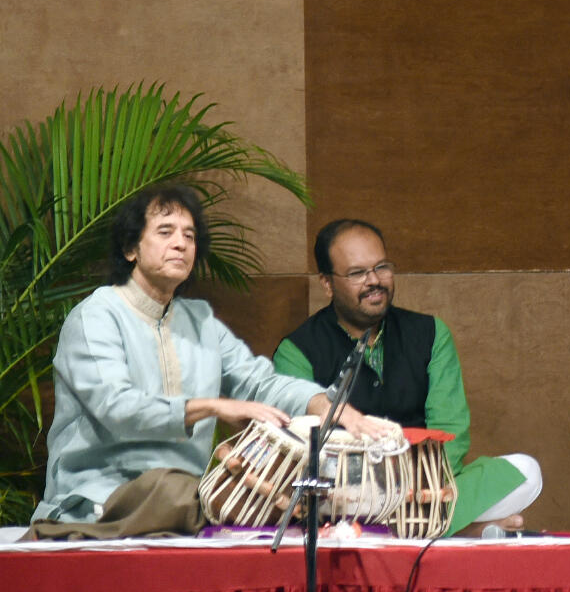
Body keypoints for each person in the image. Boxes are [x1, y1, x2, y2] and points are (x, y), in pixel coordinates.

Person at [31, 185, 390, 535]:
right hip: (97, 500)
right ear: (130, 249)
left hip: (181, 502)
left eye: (189, 235)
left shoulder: (199, 320)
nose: (181, 243)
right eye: (165, 231)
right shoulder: (96, 315)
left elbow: (257, 382)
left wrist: (324, 405)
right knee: (185, 490)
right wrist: (214, 406)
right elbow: (115, 406)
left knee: (280, 493)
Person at [273, 220, 541, 536]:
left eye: (381, 267)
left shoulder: (430, 334)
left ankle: (402, 532)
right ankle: (456, 531)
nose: (374, 281)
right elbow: (301, 446)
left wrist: (417, 487)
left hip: (425, 487)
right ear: (327, 283)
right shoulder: (297, 351)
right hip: (347, 495)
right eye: (357, 273)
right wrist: (378, 487)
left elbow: (451, 431)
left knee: (526, 471)